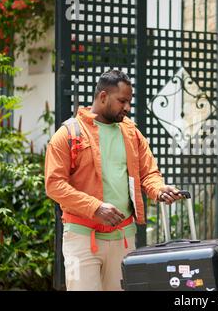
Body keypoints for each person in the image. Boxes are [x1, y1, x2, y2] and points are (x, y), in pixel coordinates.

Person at [45, 69, 183, 291]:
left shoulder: (131, 132)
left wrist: (159, 190)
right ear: (102, 97)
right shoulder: (68, 134)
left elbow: (148, 173)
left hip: (124, 238)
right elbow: (54, 185)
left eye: (129, 102)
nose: (127, 107)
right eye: (122, 101)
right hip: (82, 238)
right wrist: (95, 207)